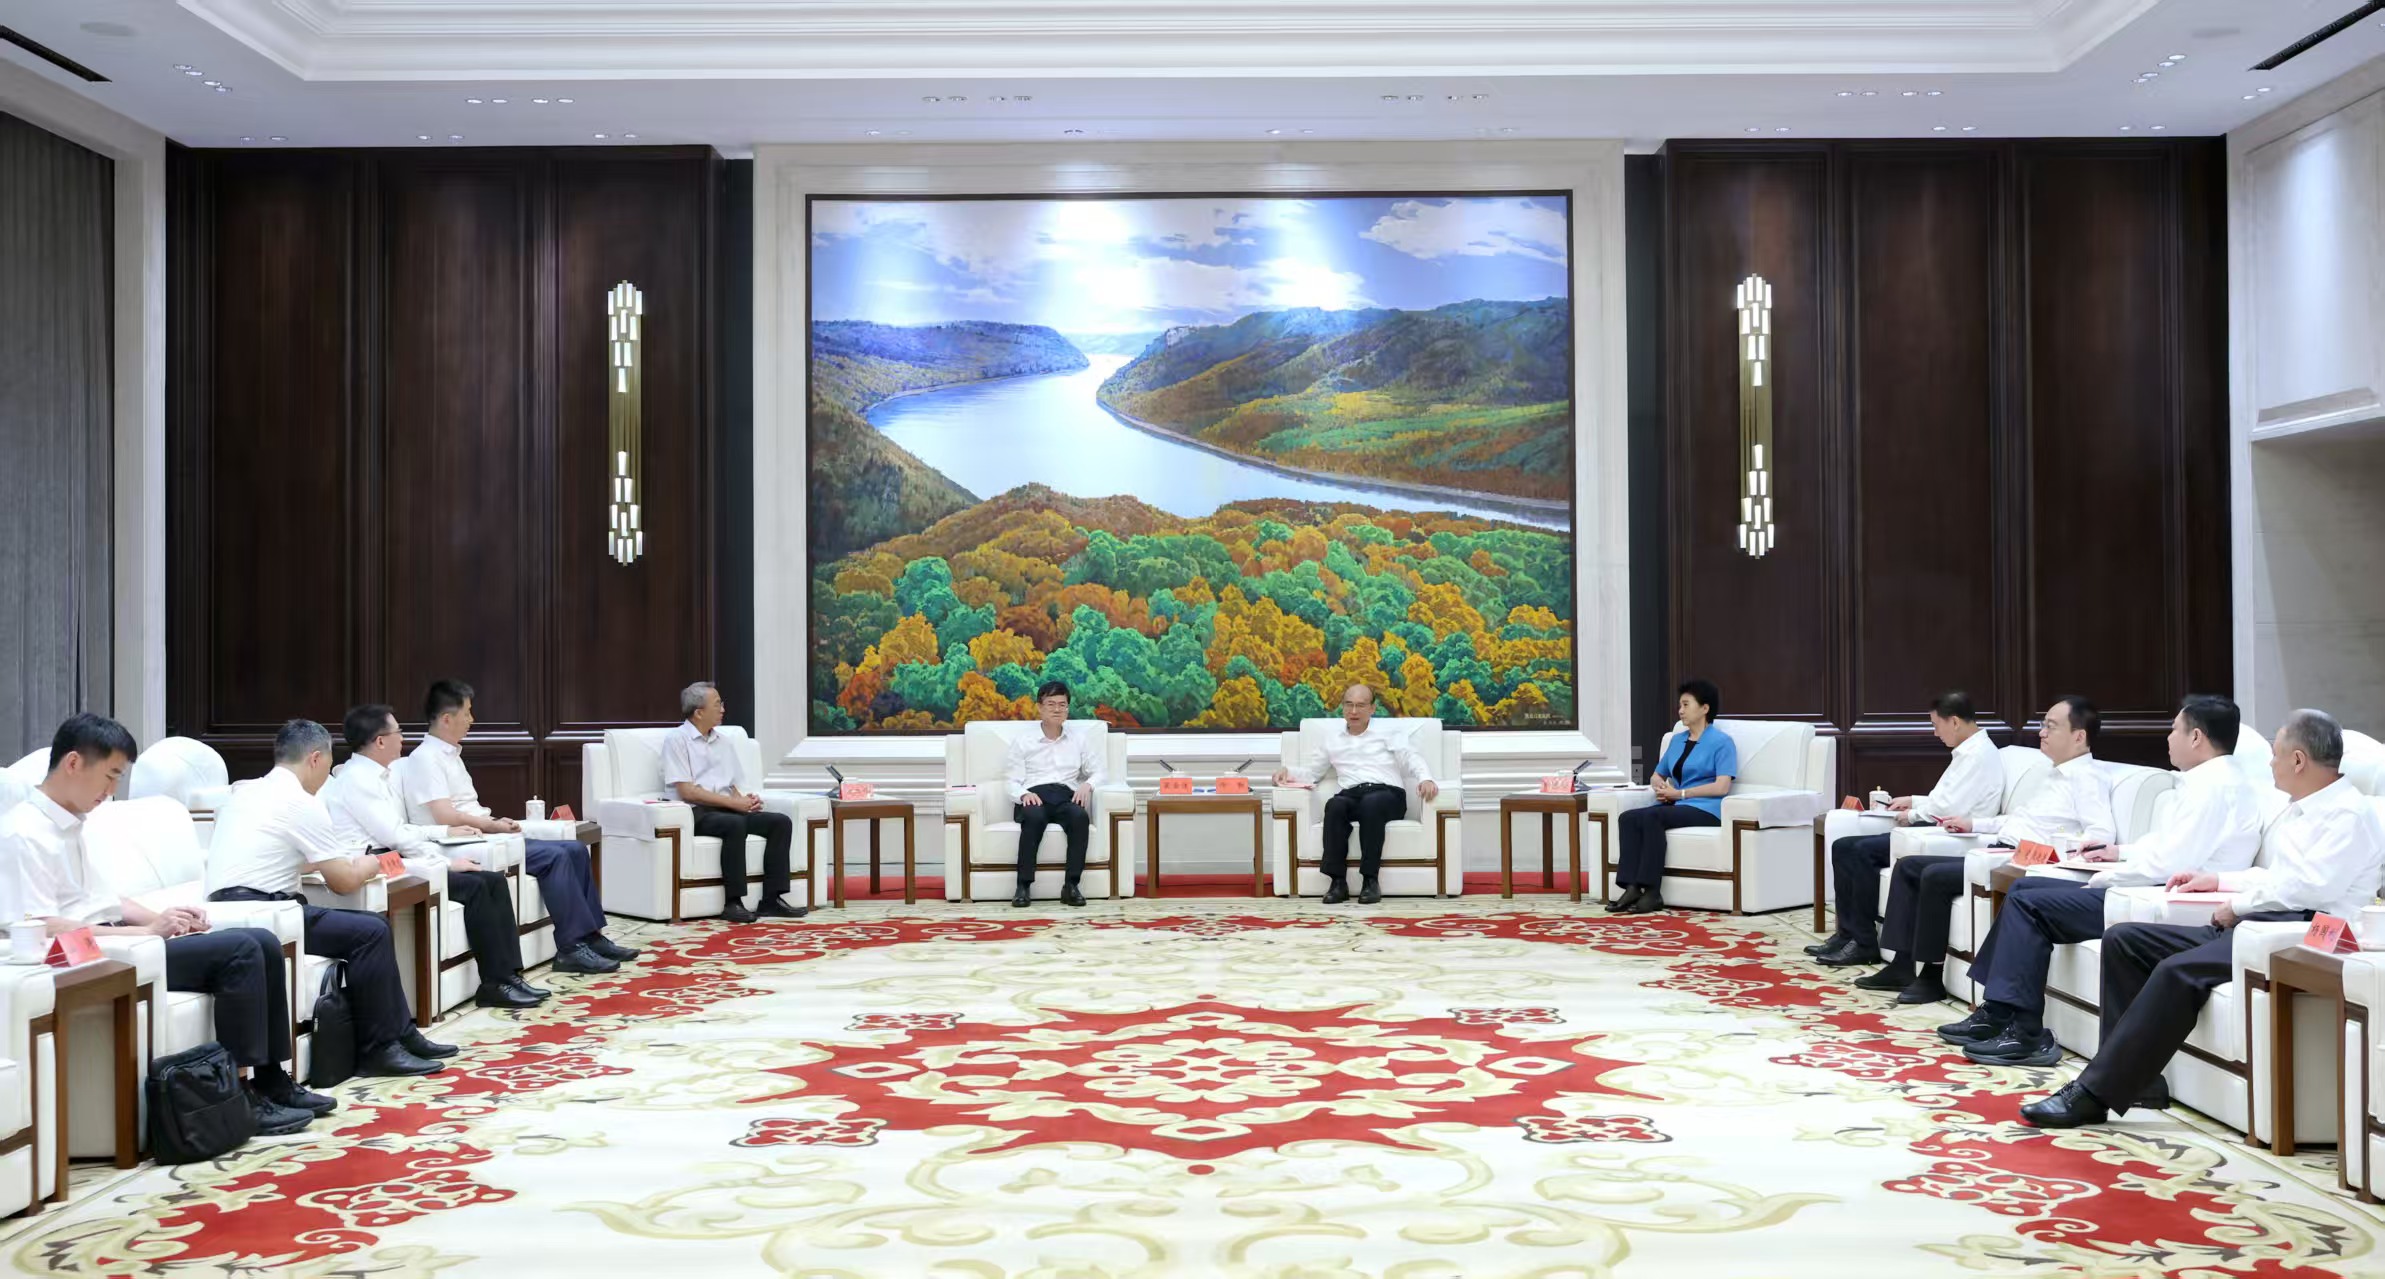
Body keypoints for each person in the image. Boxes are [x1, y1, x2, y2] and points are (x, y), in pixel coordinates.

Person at [2024, 708, 2385, 1128]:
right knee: (2125, 940)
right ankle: (2137, 1082)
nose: (2270, 762)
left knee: (2176, 971)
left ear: (2299, 760)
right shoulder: (2303, 808)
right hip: (2264, 923)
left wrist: (2238, 906)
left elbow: (2309, 889)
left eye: (2276, 754)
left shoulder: (2347, 814)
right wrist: (2218, 880)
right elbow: (2279, 877)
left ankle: (2094, 1094)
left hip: (2301, 934)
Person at [1, 714, 334, 1134]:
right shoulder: (24, 833)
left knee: (263, 942)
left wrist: (164, 917)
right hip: (94, 957)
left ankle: (272, 1082)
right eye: (110, 776)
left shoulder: (71, 825)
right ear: (73, 763)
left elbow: (105, 901)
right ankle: (238, 1098)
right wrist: (145, 932)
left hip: (119, 939)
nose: (111, 791)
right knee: (241, 951)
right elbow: (42, 925)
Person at [1942, 695, 2263, 1067]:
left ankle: (2025, 1031)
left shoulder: (2213, 788)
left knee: (2030, 902)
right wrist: (2118, 852)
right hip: (2149, 887)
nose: (2168, 737)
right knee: (2026, 889)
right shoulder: (2210, 781)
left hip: (2159, 900)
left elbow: (2169, 863)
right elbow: (2165, 847)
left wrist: (2106, 876)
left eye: (2174, 729)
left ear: (2196, 737)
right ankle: (1999, 1011)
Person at [205, 718, 454, 1077]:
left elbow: (284, 857)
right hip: (269, 916)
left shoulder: (246, 792)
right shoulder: (300, 802)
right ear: (315, 759)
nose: (327, 777)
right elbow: (344, 882)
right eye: (327, 765)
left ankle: (401, 1033)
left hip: (229, 912)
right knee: (371, 931)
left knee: (369, 927)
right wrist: (372, 862)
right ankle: (379, 1049)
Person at [1858, 695, 2115, 1005]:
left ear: (2078, 736)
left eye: (2051, 727)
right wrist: (1974, 823)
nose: (2042, 733)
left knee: (1935, 876)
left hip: (2026, 861)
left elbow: (2101, 834)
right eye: (2043, 725)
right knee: (1910, 866)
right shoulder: (2052, 773)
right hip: (2001, 848)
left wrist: (2060, 849)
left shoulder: (2087, 778)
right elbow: (2017, 820)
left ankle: (1930, 976)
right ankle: (1902, 964)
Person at [323, 704, 549, 1009]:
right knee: (476, 886)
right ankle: (495, 983)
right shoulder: (357, 780)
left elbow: (402, 829)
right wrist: (445, 863)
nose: (403, 738)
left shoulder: (380, 776)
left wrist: (441, 833)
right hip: (378, 867)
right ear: (380, 741)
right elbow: (396, 837)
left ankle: (510, 977)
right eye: (398, 732)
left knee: (492, 881)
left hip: (394, 858)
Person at [406, 680, 637, 973]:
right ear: (447, 719)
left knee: (576, 850)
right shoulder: (425, 758)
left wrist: (493, 824)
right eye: (467, 713)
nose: (472, 720)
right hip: (461, 843)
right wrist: (491, 825)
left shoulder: (450, 755)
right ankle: (571, 948)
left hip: (483, 835)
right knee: (555, 857)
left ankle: (591, 937)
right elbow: (444, 816)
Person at [1813, 691, 2002, 966]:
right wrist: (1913, 800)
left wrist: (1912, 815)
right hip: (1939, 825)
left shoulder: (1978, 757)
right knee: (1843, 846)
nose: (1935, 733)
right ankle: (1847, 933)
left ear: (1954, 722)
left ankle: (1863, 943)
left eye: (1936, 726)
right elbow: (1945, 799)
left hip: (1950, 834)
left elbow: (1949, 808)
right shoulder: (1968, 752)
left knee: (1862, 851)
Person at [1273, 684, 1439, 905]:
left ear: (1372, 708)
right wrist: (1288, 772)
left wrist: (1425, 778)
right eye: (1349, 705)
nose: (1354, 711)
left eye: (1360, 706)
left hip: (1387, 794)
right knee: (1334, 806)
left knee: (1372, 803)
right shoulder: (1332, 739)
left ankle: (1370, 880)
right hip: (1352, 795)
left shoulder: (1389, 733)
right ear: (1342, 707)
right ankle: (1337, 882)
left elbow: (1411, 757)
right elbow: (1312, 773)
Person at [661, 681, 805, 923]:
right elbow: (687, 791)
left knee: (779, 822)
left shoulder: (724, 741)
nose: (723, 709)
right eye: (717, 704)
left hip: (725, 809)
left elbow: (731, 785)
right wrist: (734, 805)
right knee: (734, 824)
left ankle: (771, 899)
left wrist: (745, 801)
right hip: (695, 813)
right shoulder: (677, 739)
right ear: (699, 712)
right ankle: (733, 902)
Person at [1609, 680, 1736, 915]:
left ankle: (1652, 891)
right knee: (1628, 818)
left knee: (1652, 817)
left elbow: (1722, 786)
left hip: (1708, 809)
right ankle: (1632, 886)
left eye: (1686, 705)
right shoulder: (1677, 740)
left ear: (1705, 708)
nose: (1680, 710)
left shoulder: (1722, 743)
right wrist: (1660, 786)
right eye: (1680, 705)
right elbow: (1657, 774)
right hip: (1679, 804)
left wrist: (1680, 793)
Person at [1004, 680, 1106, 908]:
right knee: (1034, 817)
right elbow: (1011, 781)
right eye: (1051, 704)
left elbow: (1100, 771)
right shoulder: (1023, 741)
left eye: (1062, 704)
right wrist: (1023, 795)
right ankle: (1023, 886)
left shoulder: (1079, 739)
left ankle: (1071, 886)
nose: (1057, 709)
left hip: (1065, 796)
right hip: (1034, 796)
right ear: (1040, 707)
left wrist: (1088, 785)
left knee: (1079, 817)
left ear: (1068, 709)